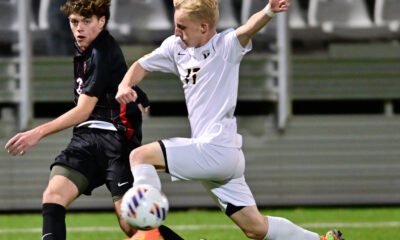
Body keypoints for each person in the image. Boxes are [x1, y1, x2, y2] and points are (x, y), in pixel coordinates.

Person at [115, 0, 345, 240]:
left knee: (140, 156)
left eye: (182, 26)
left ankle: (147, 218)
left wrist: (268, 11)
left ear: (204, 27)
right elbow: (142, 64)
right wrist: (125, 84)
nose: (176, 32)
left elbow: (247, 29)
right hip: (223, 156)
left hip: (214, 148)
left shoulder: (224, 47)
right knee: (256, 228)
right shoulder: (176, 47)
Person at [4, 0, 183, 240]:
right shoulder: (87, 48)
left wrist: (36, 133)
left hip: (116, 142)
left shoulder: (100, 51)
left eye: (86, 22)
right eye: (74, 22)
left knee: (132, 223)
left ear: (102, 21)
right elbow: (118, 75)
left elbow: (82, 111)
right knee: (53, 195)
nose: (79, 28)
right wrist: (136, 92)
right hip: (86, 139)